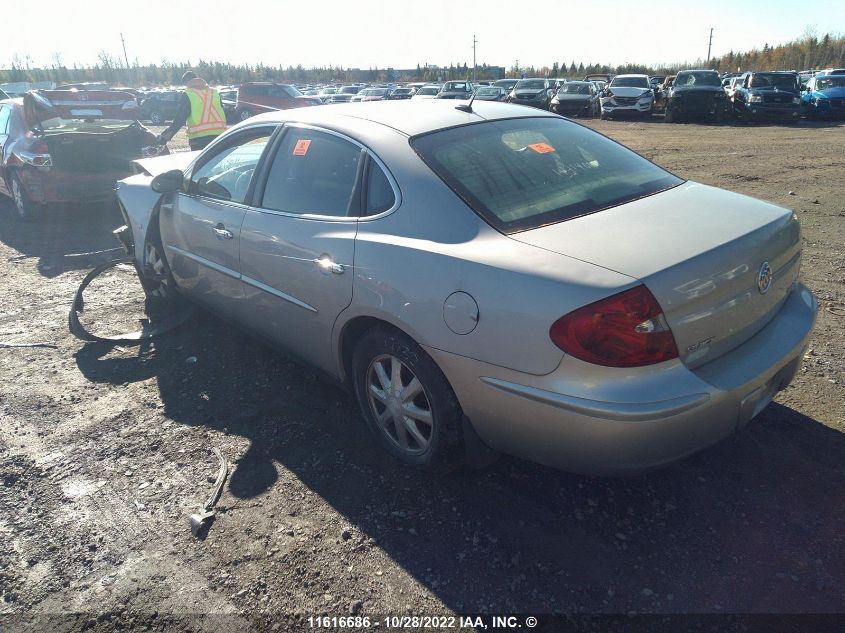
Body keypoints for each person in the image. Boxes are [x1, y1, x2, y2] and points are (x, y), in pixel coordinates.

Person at [156, 71, 227, 151]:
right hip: (219, 137)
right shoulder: (214, 92)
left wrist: (164, 137)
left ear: (187, 82)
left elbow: (179, 120)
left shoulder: (188, 94)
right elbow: (223, 112)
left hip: (199, 139)